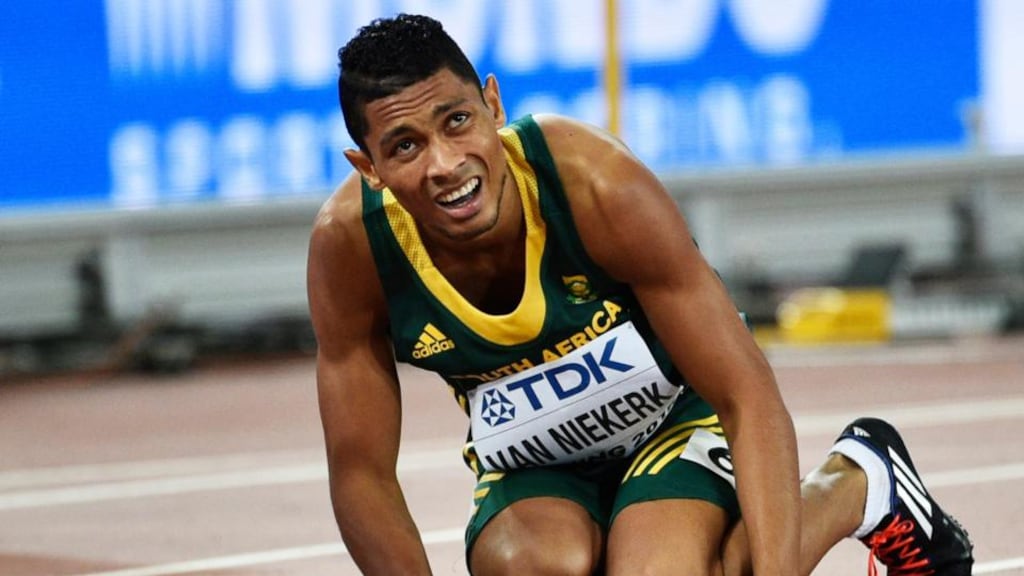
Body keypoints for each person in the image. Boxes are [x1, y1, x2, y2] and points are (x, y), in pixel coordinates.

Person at [306, 13, 974, 576]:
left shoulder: (597, 186)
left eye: (456, 122)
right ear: (368, 167)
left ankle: (854, 481)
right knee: (529, 565)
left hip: (675, 418)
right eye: (405, 146)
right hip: (538, 460)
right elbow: (361, 475)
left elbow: (747, 394)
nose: (446, 164)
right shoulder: (352, 249)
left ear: (493, 105)